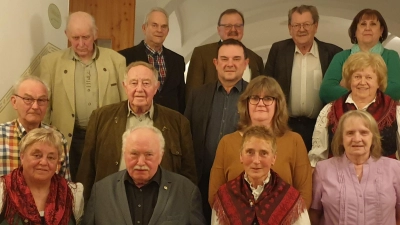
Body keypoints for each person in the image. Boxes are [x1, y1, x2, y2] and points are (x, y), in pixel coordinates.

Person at [77, 61, 197, 202]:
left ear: (156, 87)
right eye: (134, 83)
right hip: (110, 202)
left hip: (162, 204)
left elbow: (188, 174)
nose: (139, 89)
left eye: (146, 83)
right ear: (125, 86)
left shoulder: (178, 122)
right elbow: (87, 169)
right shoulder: (101, 117)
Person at [39, 11, 126, 181]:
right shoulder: (50, 63)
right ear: (67, 35)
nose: (80, 43)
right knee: (69, 186)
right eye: (75, 37)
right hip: (68, 137)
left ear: (95, 34)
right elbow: (44, 106)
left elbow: (125, 102)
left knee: (102, 184)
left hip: (105, 135)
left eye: (85, 37)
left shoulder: (117, 61)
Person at [209, 76, 312, 209]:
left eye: (268, 98)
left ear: (278, 104)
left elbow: (304, 195)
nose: (261, 103)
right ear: (246, 103)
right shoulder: (227, 143)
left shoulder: (294, 141)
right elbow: (215, 195)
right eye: (255, 98)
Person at [82, 125, 206, 225]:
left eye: (149, 155)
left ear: (161, 155)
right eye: (134, 154)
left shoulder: (186, 192)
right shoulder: (101, 191)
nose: (141, 162)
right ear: (124, 154)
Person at [185, 38, 249, 222]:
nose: (230, 64)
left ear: (245, 64)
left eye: (236, 59)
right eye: (224, 59)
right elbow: (187, 135)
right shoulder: (198, 94)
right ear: (216, 63)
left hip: (239, 179)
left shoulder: (255, 96)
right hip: (200, 178)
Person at [264, 5, 342, 151]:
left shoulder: (333, 53)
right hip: (285, 125)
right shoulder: (278, 50)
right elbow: (267, 87)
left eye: (306, 24)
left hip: (322, 126)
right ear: (289, 28)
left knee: (318, 170)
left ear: (316, 26)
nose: (301, 29)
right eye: (296, 25)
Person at [308, 51, 399, 168]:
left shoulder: (395, 110)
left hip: (384, 180)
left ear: (378, 82)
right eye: (357, 77)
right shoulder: (330, 110)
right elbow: (317, 158)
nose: (362, 82)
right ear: (349, 81)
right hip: (339, 180)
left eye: (369, 77)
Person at [310, 110, 400, 224]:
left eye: (364, 132)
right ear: (341, 139)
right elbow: (314, 214)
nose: (357, 139)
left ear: (373, 138)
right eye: (350, 133)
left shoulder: (395, 168)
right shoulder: (323, 169)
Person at [212, 126, 310, 225]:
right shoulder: (225, 195)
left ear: (274, 158)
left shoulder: (290, 198)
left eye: (264, 153)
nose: (256, 161)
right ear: (241, 156)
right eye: (250, 152)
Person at [0, 128, 83, 224]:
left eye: (51, 157)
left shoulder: (73, 193)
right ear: (22, 157)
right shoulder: (2, 190)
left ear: (57, 161)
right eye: (37, 155)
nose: (44, 162)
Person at [320, 8, 400, 103]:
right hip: (347, 115)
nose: (367, 28)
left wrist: (348, 87)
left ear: (381, 30)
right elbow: (326, 91)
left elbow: (396, 90)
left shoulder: (391, 56)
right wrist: (375, 88)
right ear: (355, 31)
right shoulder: (341, 57)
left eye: (373, 24)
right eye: (363, 24)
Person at [0, 76, 70, 180]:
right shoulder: (1, 136)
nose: (35, 106)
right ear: (14, 102)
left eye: (41, 100)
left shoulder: (57, 138)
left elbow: (65, 186)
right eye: (28, 99)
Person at [119, 7, 185, 114]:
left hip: (169, 122)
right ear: (144, 28)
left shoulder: (177, 60)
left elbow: (181, 97)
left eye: (164, 26)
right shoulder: (125, 57)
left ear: (167, 31)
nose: (159, 30)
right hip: (136, 120)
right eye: (154, 25)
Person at [186, 8, 264, 99]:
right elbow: (192, 93)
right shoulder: (202, 54)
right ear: (219, 30)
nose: (233, 29)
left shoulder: (256, 59)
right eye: (228, 26)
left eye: (238, 26)